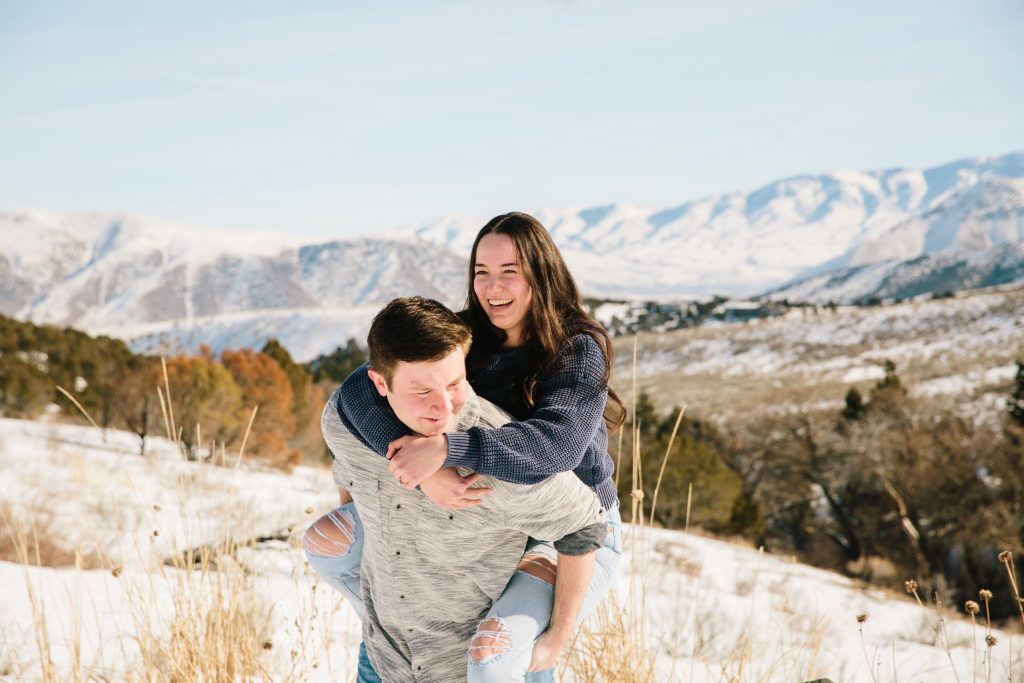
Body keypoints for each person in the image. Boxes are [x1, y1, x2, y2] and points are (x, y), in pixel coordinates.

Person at [310, 211, 626, 679]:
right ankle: (402, 640)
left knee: (500, 654)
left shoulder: (574, 349)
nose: (492, 287)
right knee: (328, 546)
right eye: (481, 272)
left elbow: (555, 448)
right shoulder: (466, 336)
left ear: (541, 275)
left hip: (567, 531)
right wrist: (423, 468)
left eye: (509, 273)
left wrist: (448, 450)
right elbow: (361, 389)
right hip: (488, 512)